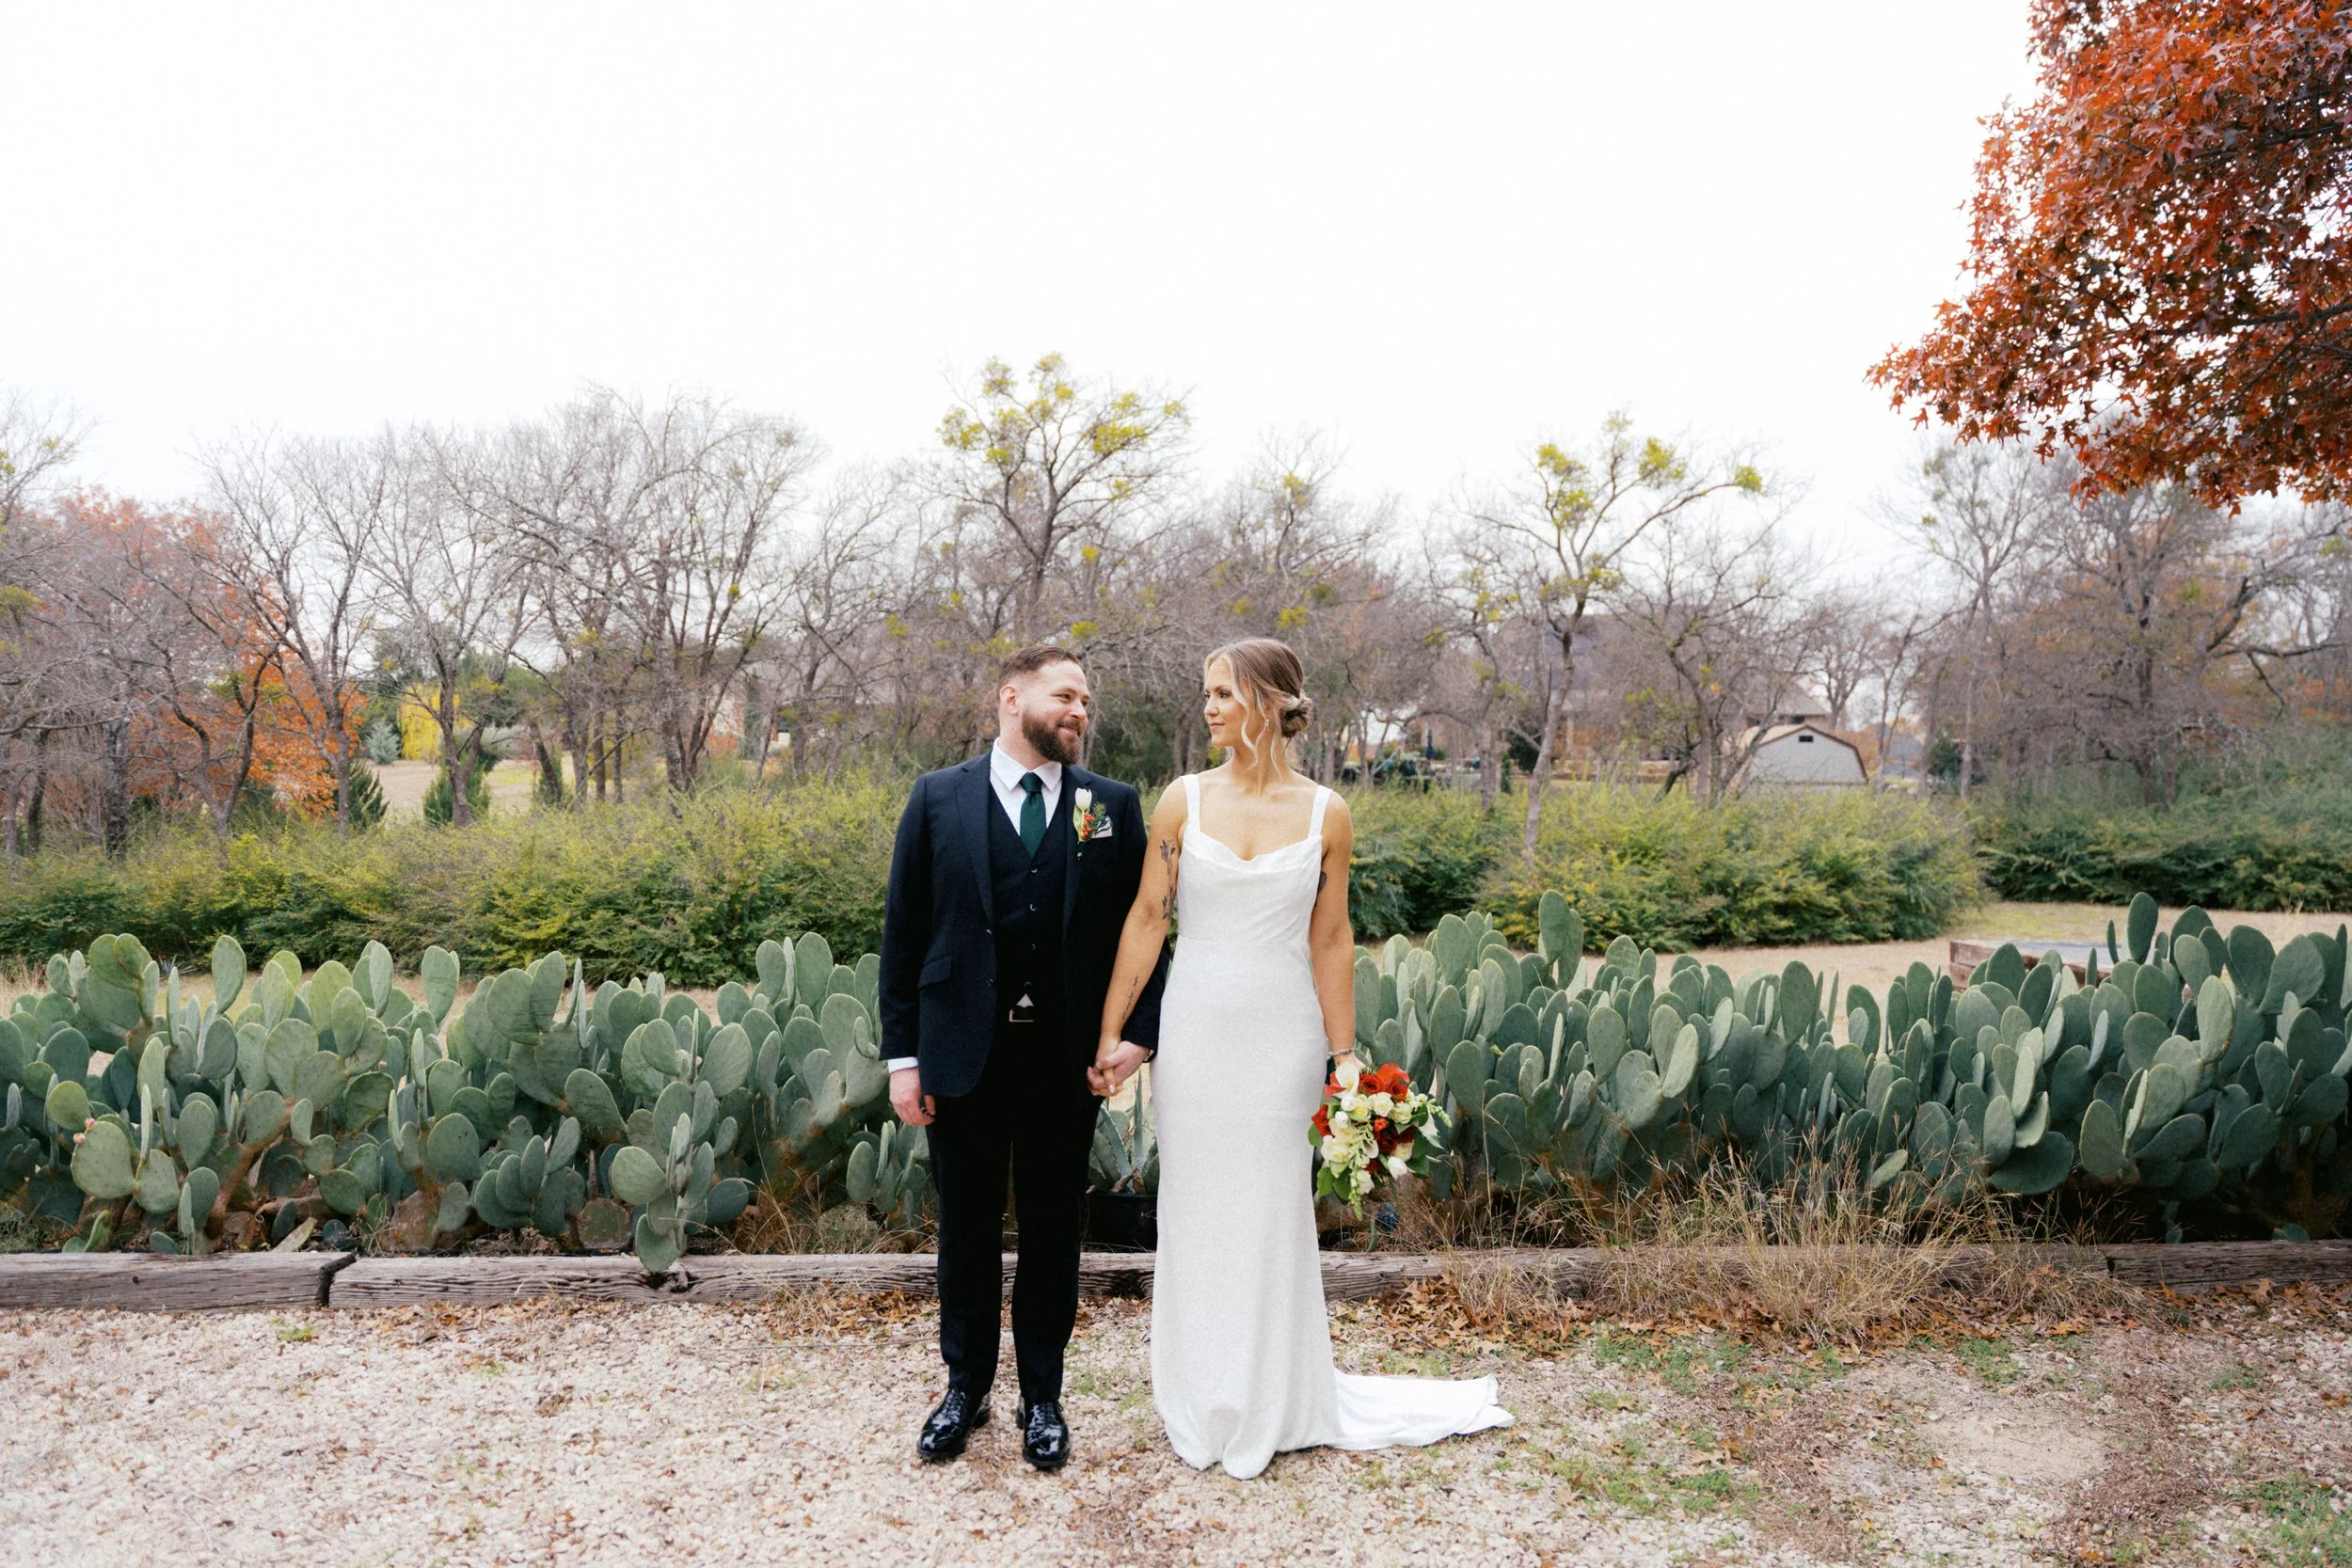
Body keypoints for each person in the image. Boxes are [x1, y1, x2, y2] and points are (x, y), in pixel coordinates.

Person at [1091, 637, 1512, 1480]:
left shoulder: (1328, 813)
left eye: (1222, 692)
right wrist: (1110, 1033)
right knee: (1197, 1207)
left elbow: (1331, 937)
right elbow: (1147, 916)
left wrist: (1344, 1055)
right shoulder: (1181, 801)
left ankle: (1272, 1394)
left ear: (1269, 700)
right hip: (1198, 1032)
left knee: (1268, 1208)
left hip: (1283, 1035)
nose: (1209, 706)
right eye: (1206, 691)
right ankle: (1202, 1392)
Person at [879, 645, 1165, 1470]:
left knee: (1052, 1231)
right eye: (1065, 694)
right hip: (961, 1055)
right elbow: (904, 932)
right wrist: (903, 1058)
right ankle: (964, 1388)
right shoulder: (937, 797)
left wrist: (1138, 1033)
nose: (1080, 711)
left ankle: (1043, 1395)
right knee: (966, 1231)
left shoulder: (1110, 804)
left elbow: (1145, 927)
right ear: (1012, 697)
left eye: (1086, 700)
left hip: (1064, 1061)